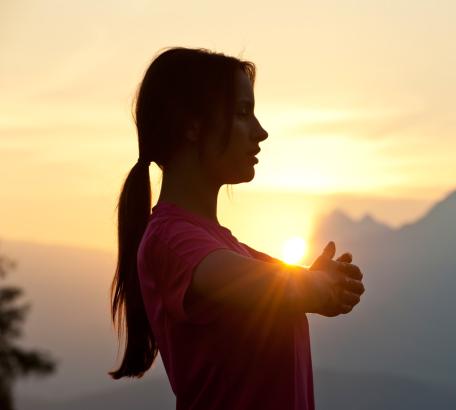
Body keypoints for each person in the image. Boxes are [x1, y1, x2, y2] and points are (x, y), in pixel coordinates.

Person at [108, 47, 365, 410]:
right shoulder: (173, 242)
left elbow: (279, 284)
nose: (260, 132)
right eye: (243, 113)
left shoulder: (224, 249)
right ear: (192, 126)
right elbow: (274, 286)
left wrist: (317, 282)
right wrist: (315, 286)